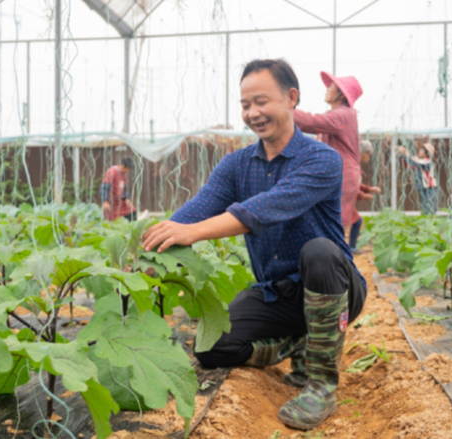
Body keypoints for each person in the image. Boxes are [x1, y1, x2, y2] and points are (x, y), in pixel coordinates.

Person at [142, 59, 367, 430]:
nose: (253, 113)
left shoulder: (322, 160)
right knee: (209, 347)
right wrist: (159, 240)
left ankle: (321, 384)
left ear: (291, 98)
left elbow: (263, 208)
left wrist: (193, 233)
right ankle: (298, 344)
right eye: (245, 105)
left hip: (335, 287)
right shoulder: (236, 165)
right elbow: (199, 207)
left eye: (261, 101)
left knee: (320, 250)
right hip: (277, 294)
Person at [292, 71, 363, 245]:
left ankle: (340, 265)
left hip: (343, 175)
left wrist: (285, 109)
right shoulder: (340, 115)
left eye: (331, 86)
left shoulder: (344, 114)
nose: (326, 89)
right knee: (330, 223)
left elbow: (313, 122)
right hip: (340, 174)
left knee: (335, 224)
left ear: (341, 93)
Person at [348, 140, 381, 252]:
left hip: (345, 200)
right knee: (356, 221)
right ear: (364, 152)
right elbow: (349, 185)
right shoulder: (352, 164)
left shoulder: (354, 163)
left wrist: (369, 189)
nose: (368, 157)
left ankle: (349, 247)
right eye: (368, 155)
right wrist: (364, 195)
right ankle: (349, 248)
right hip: (343, 200)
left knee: (355, 221)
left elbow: (356, 183)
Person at [397, 142, 438, 215]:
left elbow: (415, 161)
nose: (419, 151)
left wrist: (405, 151)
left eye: (422, 149)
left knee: (430, 212)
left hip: (430, 190)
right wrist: (401, 156)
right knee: (426, 211)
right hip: (425, 190)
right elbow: (409, 164)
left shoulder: (428, 162)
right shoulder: (421, 163)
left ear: (427, 153)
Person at [101, 157, 137, 221]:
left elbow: (125, 188)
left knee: (132, 212)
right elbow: (104, 187)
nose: (127, 171)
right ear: (123, 165)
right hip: (112, 202)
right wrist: (105, 201)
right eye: (127, 169)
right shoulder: (111, 172)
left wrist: (126, 198)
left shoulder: (123, 174)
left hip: (120, 202)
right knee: (112, 220)